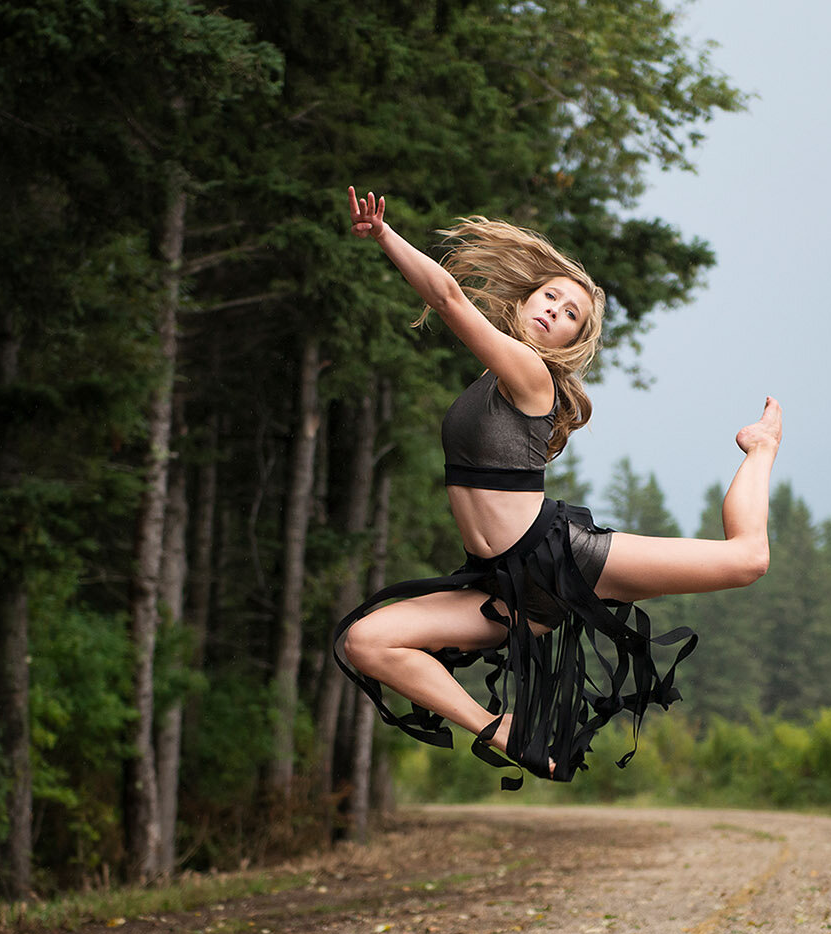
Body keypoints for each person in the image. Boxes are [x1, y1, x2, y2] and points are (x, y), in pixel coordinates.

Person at [334, 187, 782, 787]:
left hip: (561, 559)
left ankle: (760, 447)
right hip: (505, 586)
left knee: (747, 558)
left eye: (570, 314)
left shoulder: (530, 374)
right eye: (550, 297)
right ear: (524, 302)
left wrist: (385, 236)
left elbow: (445, 295)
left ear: (570, 343)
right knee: (366, 642)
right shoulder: (493, 378)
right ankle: (502, 729)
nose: (554, 312)